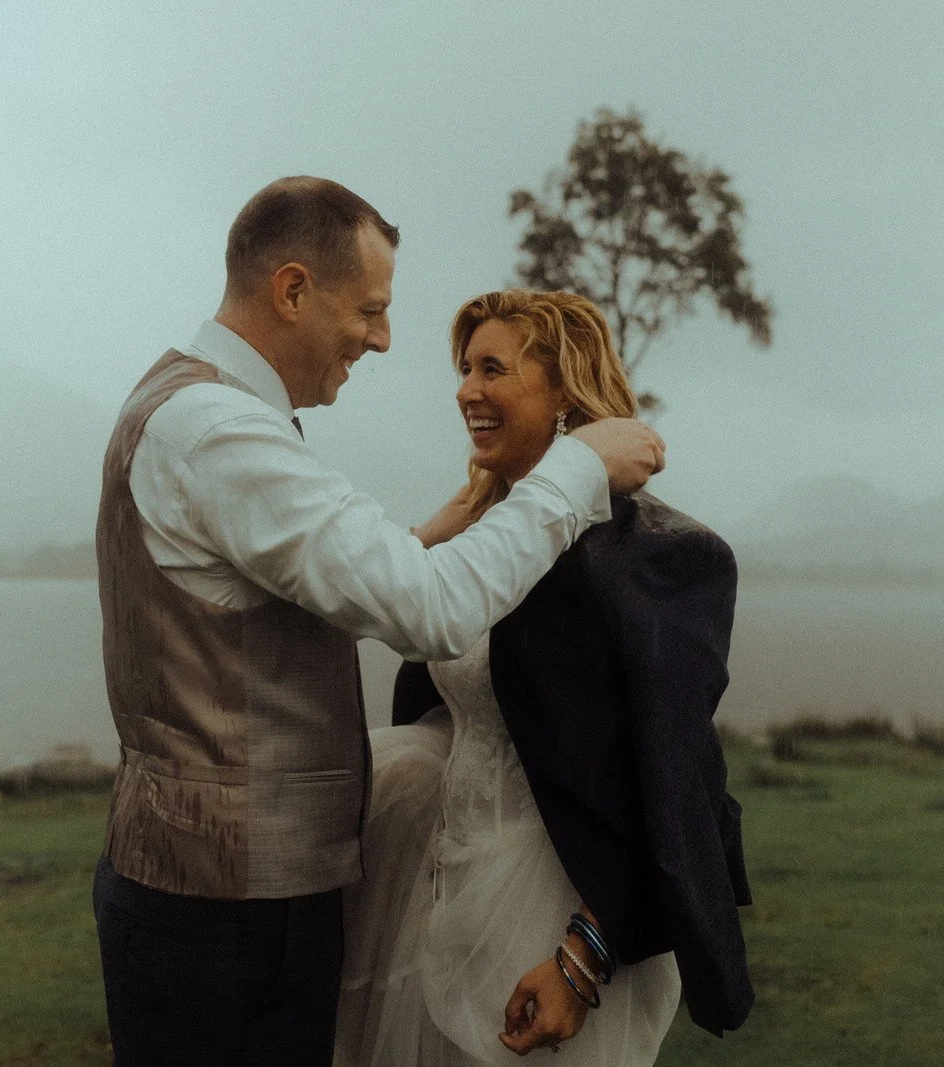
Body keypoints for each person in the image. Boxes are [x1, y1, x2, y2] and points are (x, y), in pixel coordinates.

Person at [90, 178, 667, 1065]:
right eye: (370, 309)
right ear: (291, 290)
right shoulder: (220, 433)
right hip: (229, 915)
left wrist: (438, 530)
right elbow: (428, 609)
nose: (384, 337)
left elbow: (280, 596)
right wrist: (579, 467)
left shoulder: (184, 405)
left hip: (207, 893)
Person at [336, 290, 752, 1064]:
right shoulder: (481, 536)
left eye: (493, 367)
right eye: (464, 368)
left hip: (551, 898)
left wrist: (582, 956)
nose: (467, 389)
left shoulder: (656, 557)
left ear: (564, 390)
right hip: (436, 880)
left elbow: (668, 775)